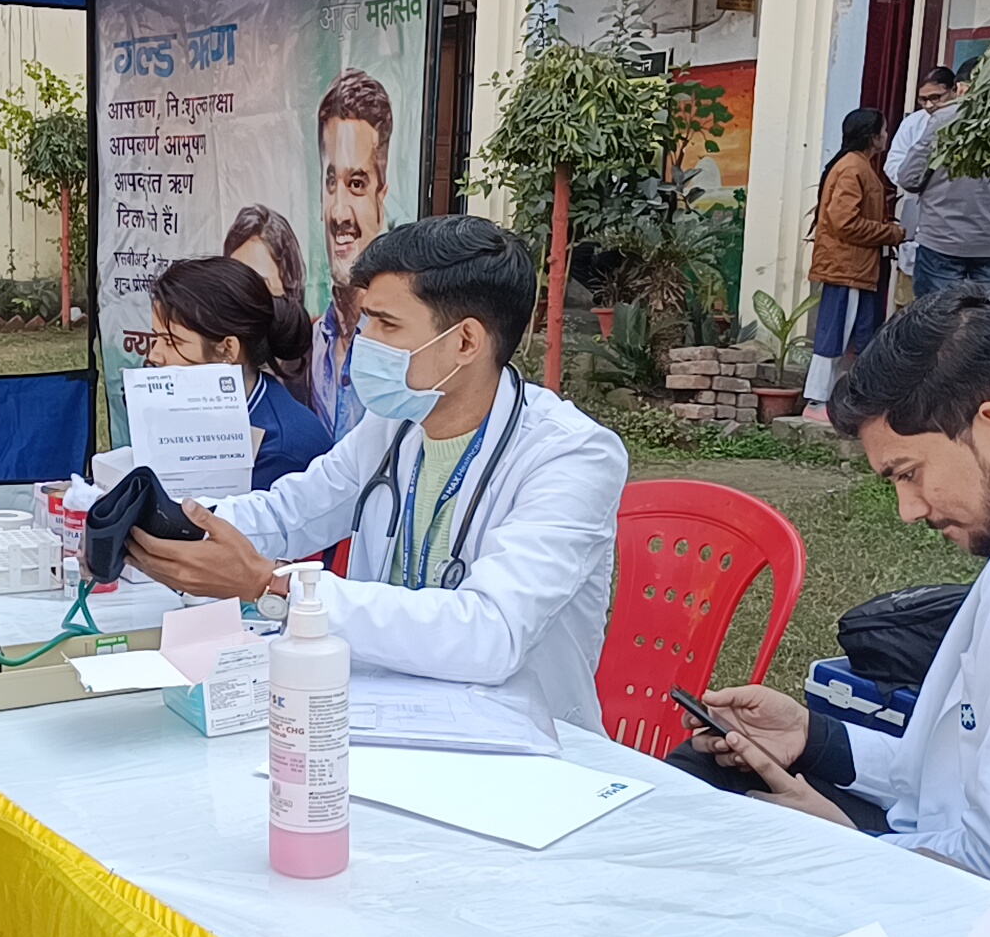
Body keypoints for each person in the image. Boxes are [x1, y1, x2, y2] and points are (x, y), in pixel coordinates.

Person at [672, 285, 990, 915]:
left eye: (909, 473)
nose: (909, 510)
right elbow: (962, 777)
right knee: (715, 772)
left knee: (719, 823)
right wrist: (813, 738)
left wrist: (847, 845)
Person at [128, 215, 628, 735]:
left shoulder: (571, 456)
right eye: (366, 320)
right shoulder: (397, 423)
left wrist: (271, 585)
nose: (364, 340)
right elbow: (291, 511)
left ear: (465, 342)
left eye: (386, 325)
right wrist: (170, 522)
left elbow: (492, 632)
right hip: (384, 719)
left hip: (519, 740)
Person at [145, 257, 331, 490]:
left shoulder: (282, 449)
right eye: (156, 338)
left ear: (227, 349)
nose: (154, 355)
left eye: (171, 342)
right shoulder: (192, 413)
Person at [310, 69, 393, 442]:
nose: (339, 212)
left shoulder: (403, 349)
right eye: (331, 183)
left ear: (381, 198)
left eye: (357, 184)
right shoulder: (311, 343)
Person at [896, 58, 990, 298]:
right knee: (980, 315)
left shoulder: (945, 119)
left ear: (960, 87)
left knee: (938, 314)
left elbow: (909, 178)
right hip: (989, 243)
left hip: (942, 238)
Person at [804, 108, 901, 422]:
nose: (886, 136)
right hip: (848, 267)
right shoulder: (853, 168)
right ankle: (816, 401)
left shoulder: (855, 166)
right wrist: (890, 233)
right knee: (835, 333)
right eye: (883, 131)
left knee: (848, 333)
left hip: (854, 267)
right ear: (872, 137)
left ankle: (832, 401)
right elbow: (845, 222)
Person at [883, 67, 959, 309]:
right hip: (917, 207)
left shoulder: (966, 122)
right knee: (910, 298)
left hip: (953, 220)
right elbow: (893, 163)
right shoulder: (913, 123)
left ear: (954, 91)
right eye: (923, 99)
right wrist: (919, 181)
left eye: (936, 97)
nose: (929, 105)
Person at [224, 203, 311, 408]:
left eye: (256, 285)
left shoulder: (314, 363)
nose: (241, 299)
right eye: (233, 283)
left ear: (288, 284)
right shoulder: (221, 360)